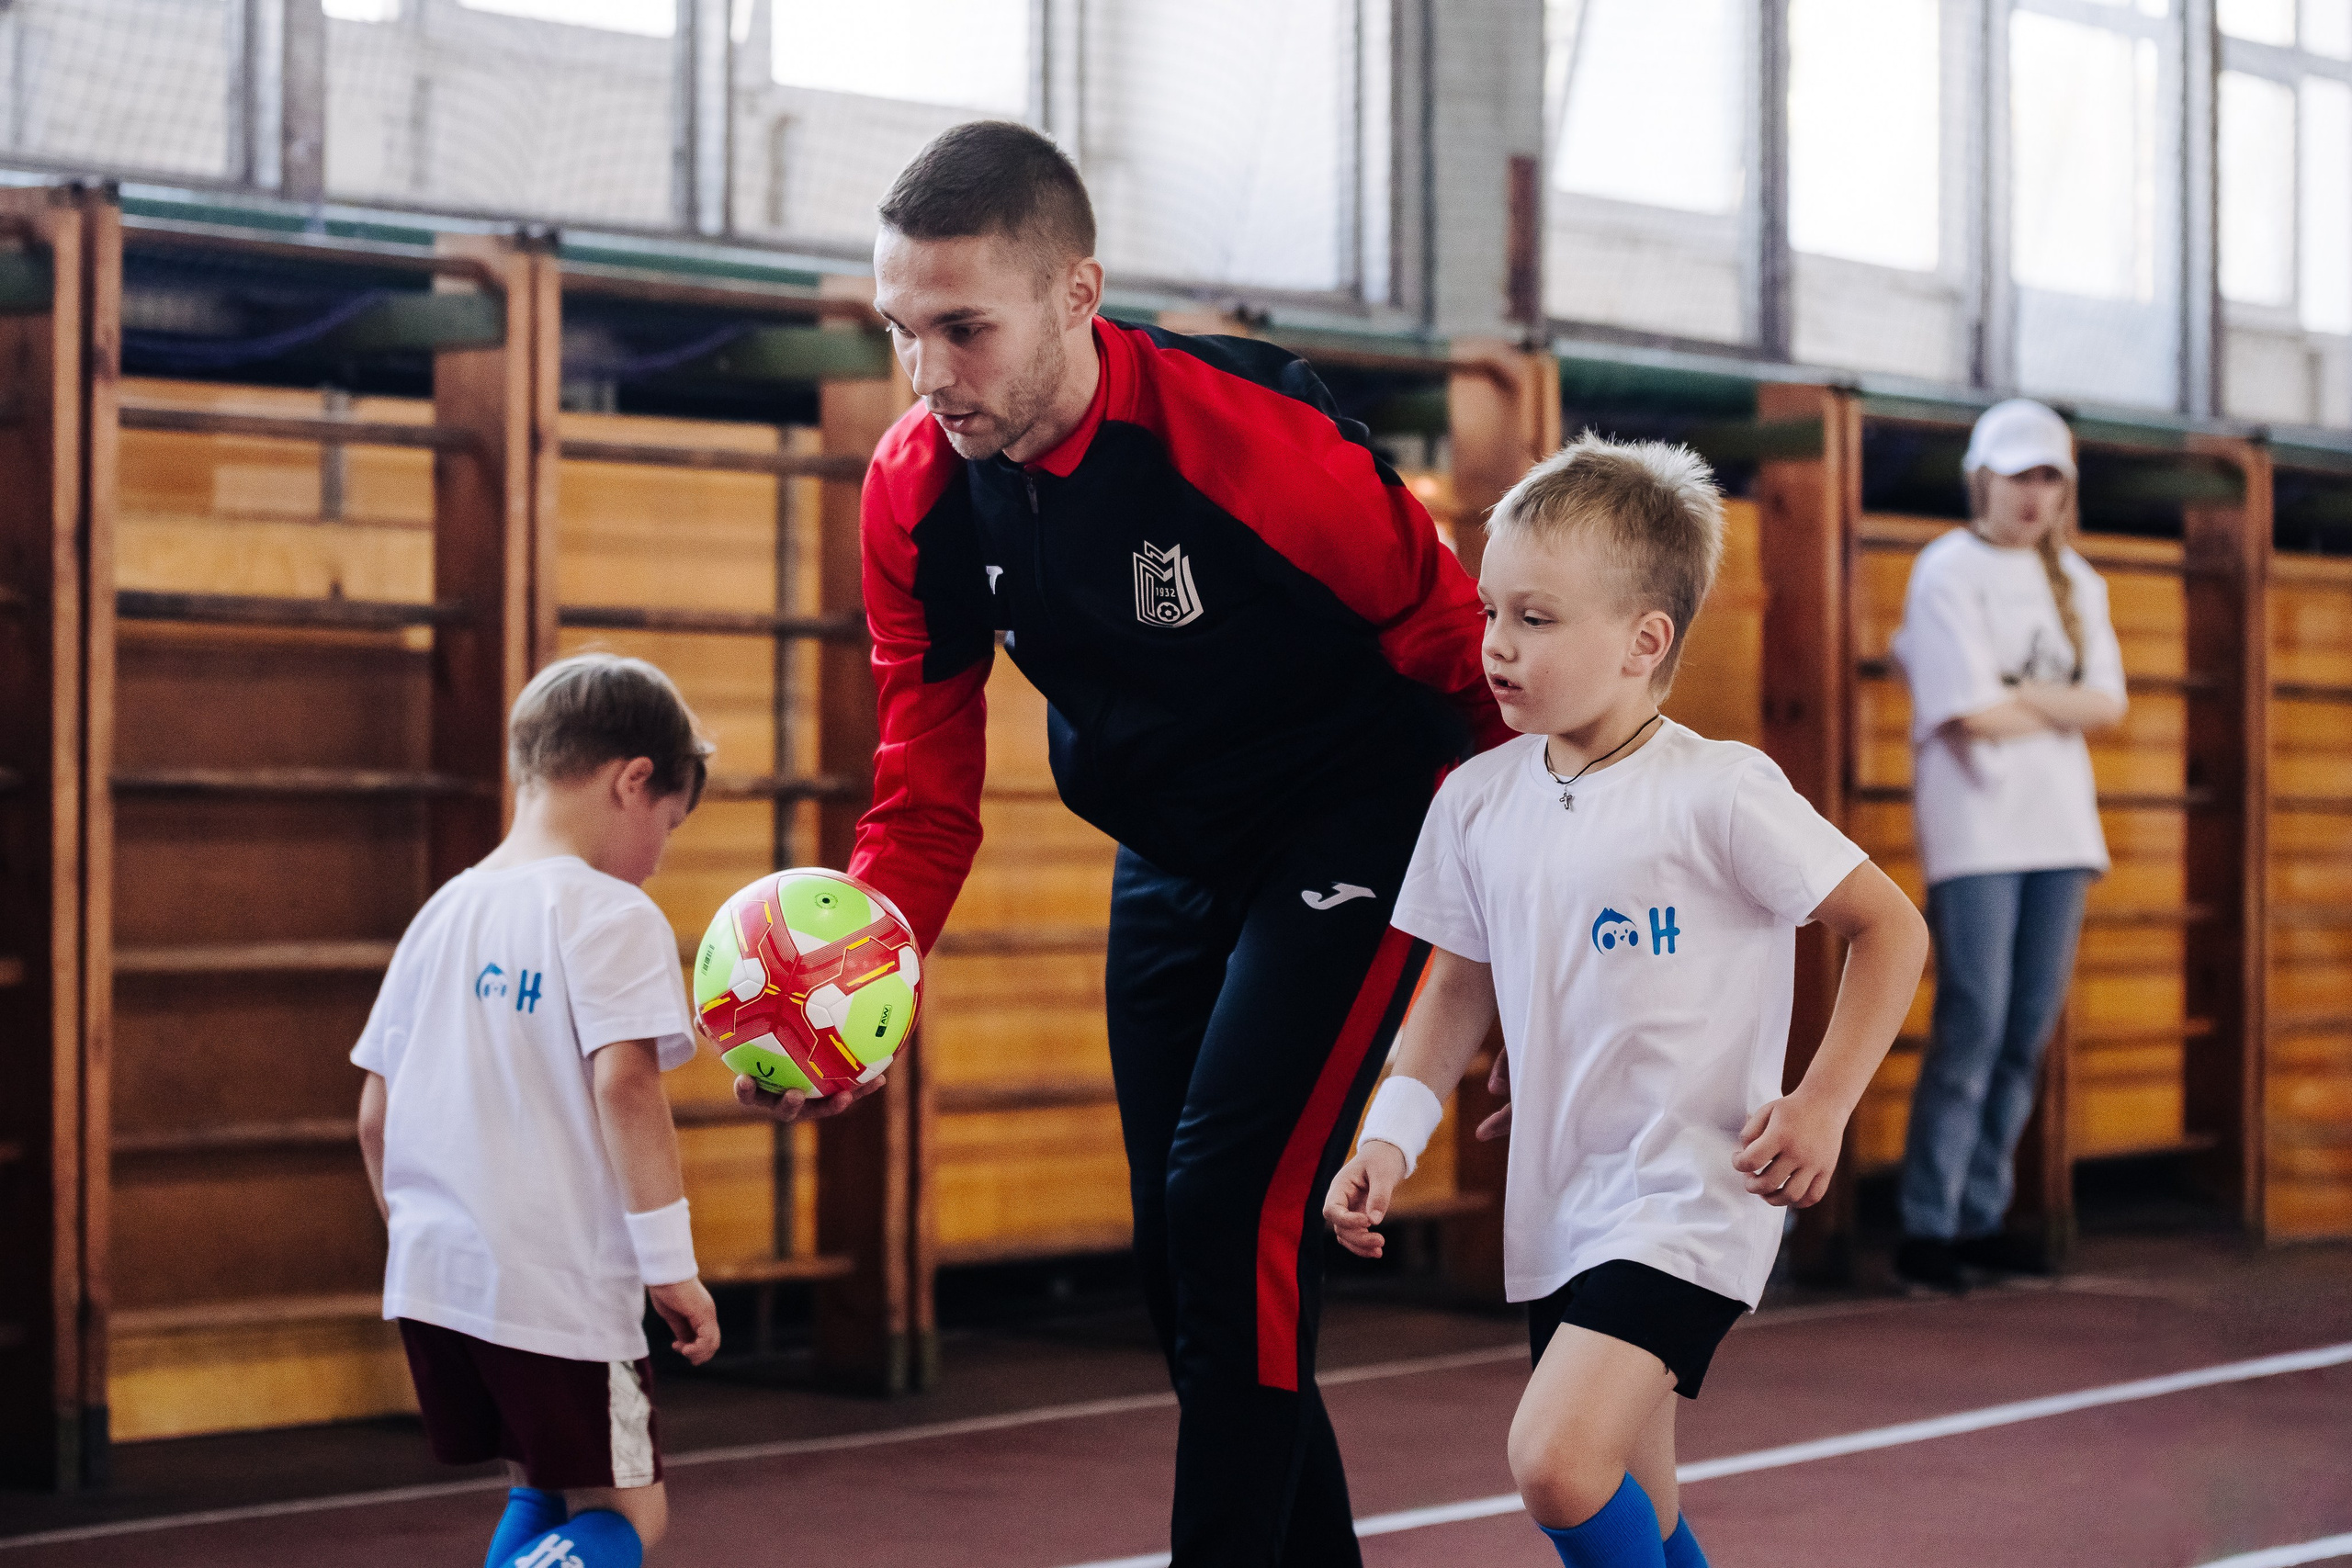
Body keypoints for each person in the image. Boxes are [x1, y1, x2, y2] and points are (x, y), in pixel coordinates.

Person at [847, 121, 1507, 1566]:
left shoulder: (1255, 443)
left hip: (1356, 819)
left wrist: (1519, 941)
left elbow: (1465, 664)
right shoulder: (913, 489)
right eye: (902, 331)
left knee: (1233, 1207)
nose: (929, 374)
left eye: (965, 329)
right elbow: (922, 788)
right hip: (1173, 850)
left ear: (1079, 294)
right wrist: (856, 979)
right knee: (1191, 1266)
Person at [1324, 435, 1929, 1568]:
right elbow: (1455, 985)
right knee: (1637, 1504)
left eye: (1537, 620)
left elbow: (1889, 926)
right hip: (1563, 1193)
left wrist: (1820, 1103)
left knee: (1555, 1463)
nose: (1497, 646)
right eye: (1491, 612)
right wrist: (1390, 1137)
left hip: (1692, 1190)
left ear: (1644, 642)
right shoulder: (1475, 799)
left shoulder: (1718, 791)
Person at [354, 652, 850, 1568]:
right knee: (627, 1514)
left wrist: (425, 1236)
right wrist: (670, 1267)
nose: (661, 852)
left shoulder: (446, 910)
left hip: (437, 1279)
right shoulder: (611, 915)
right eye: (669, 823)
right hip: (561, 1286)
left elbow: (375, 1116)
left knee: (541, 1485)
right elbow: (625, 1086)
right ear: (634, 782)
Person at [1887, 398, 2127, 1292]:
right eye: (2017, 476)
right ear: (1981, 479)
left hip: (2061, 830)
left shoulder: (2080, 581)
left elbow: (2109, 703)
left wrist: (2015, 697)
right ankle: (1927, 1223)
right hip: (1976, 829)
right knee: (1972, 1021)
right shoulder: (1947, 569)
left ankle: (1981, 1214)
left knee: (2025, 1030)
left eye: (2048, 479)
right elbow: (1972, 716)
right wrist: (2038, 705)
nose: (2032, 496)